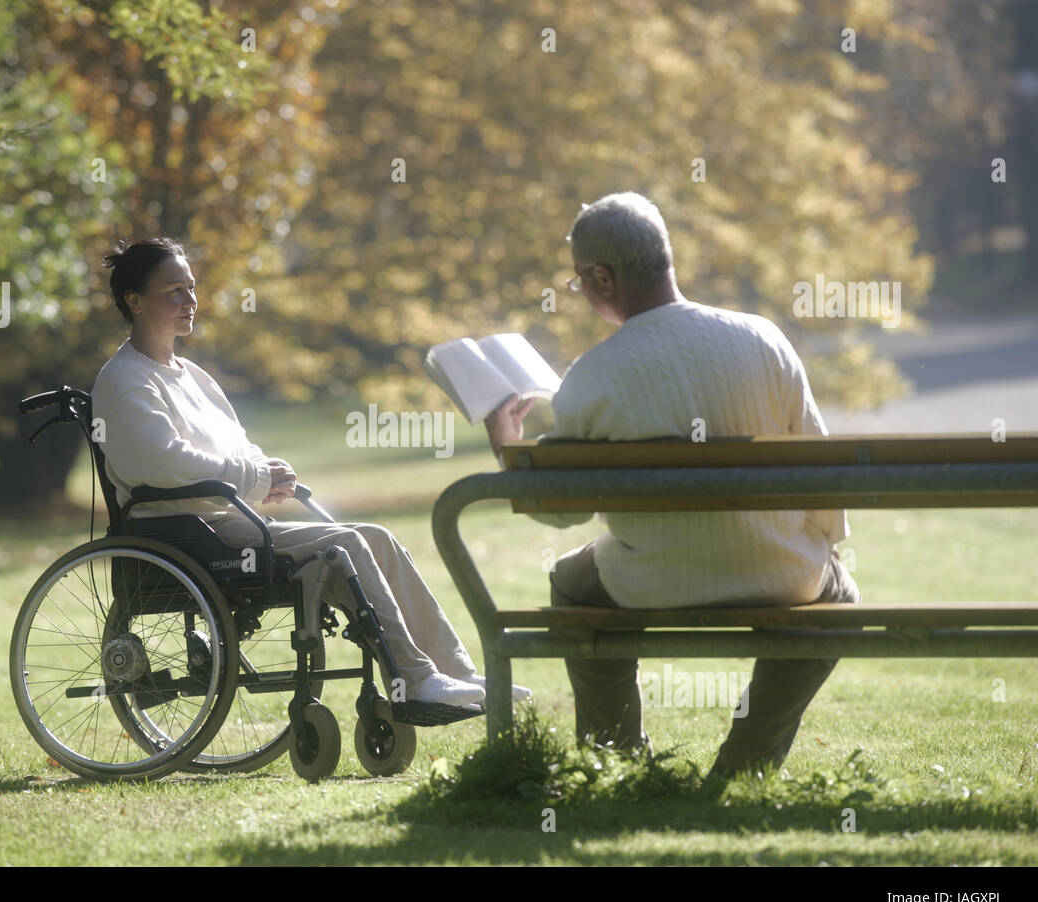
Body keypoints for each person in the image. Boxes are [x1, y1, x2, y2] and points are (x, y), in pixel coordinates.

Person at [483, 192, 858, 780]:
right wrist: (823, 546)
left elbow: (556, 511)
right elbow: (820, 465)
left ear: (603, 277)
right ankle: (744, 766)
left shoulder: (592, 376)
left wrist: (508, 446)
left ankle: (619, 764)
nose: (580, 290)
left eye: (580, 280)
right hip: (784, 574)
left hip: (647, 582)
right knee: (840, 600)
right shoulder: (763, 339)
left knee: (571, 585)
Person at [91, 237, 528, 707]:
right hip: (183, 536)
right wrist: (252, 478)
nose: (190, 301)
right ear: (134, 301)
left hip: (228, 524)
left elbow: (237, 445)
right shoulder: (125, 379)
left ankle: (455, 673)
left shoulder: (192, 375)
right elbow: (162, 462)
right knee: (345, 545)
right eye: (174, 290)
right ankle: (416, 678)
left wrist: (266, 470)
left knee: (376, 536)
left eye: (192, 288)